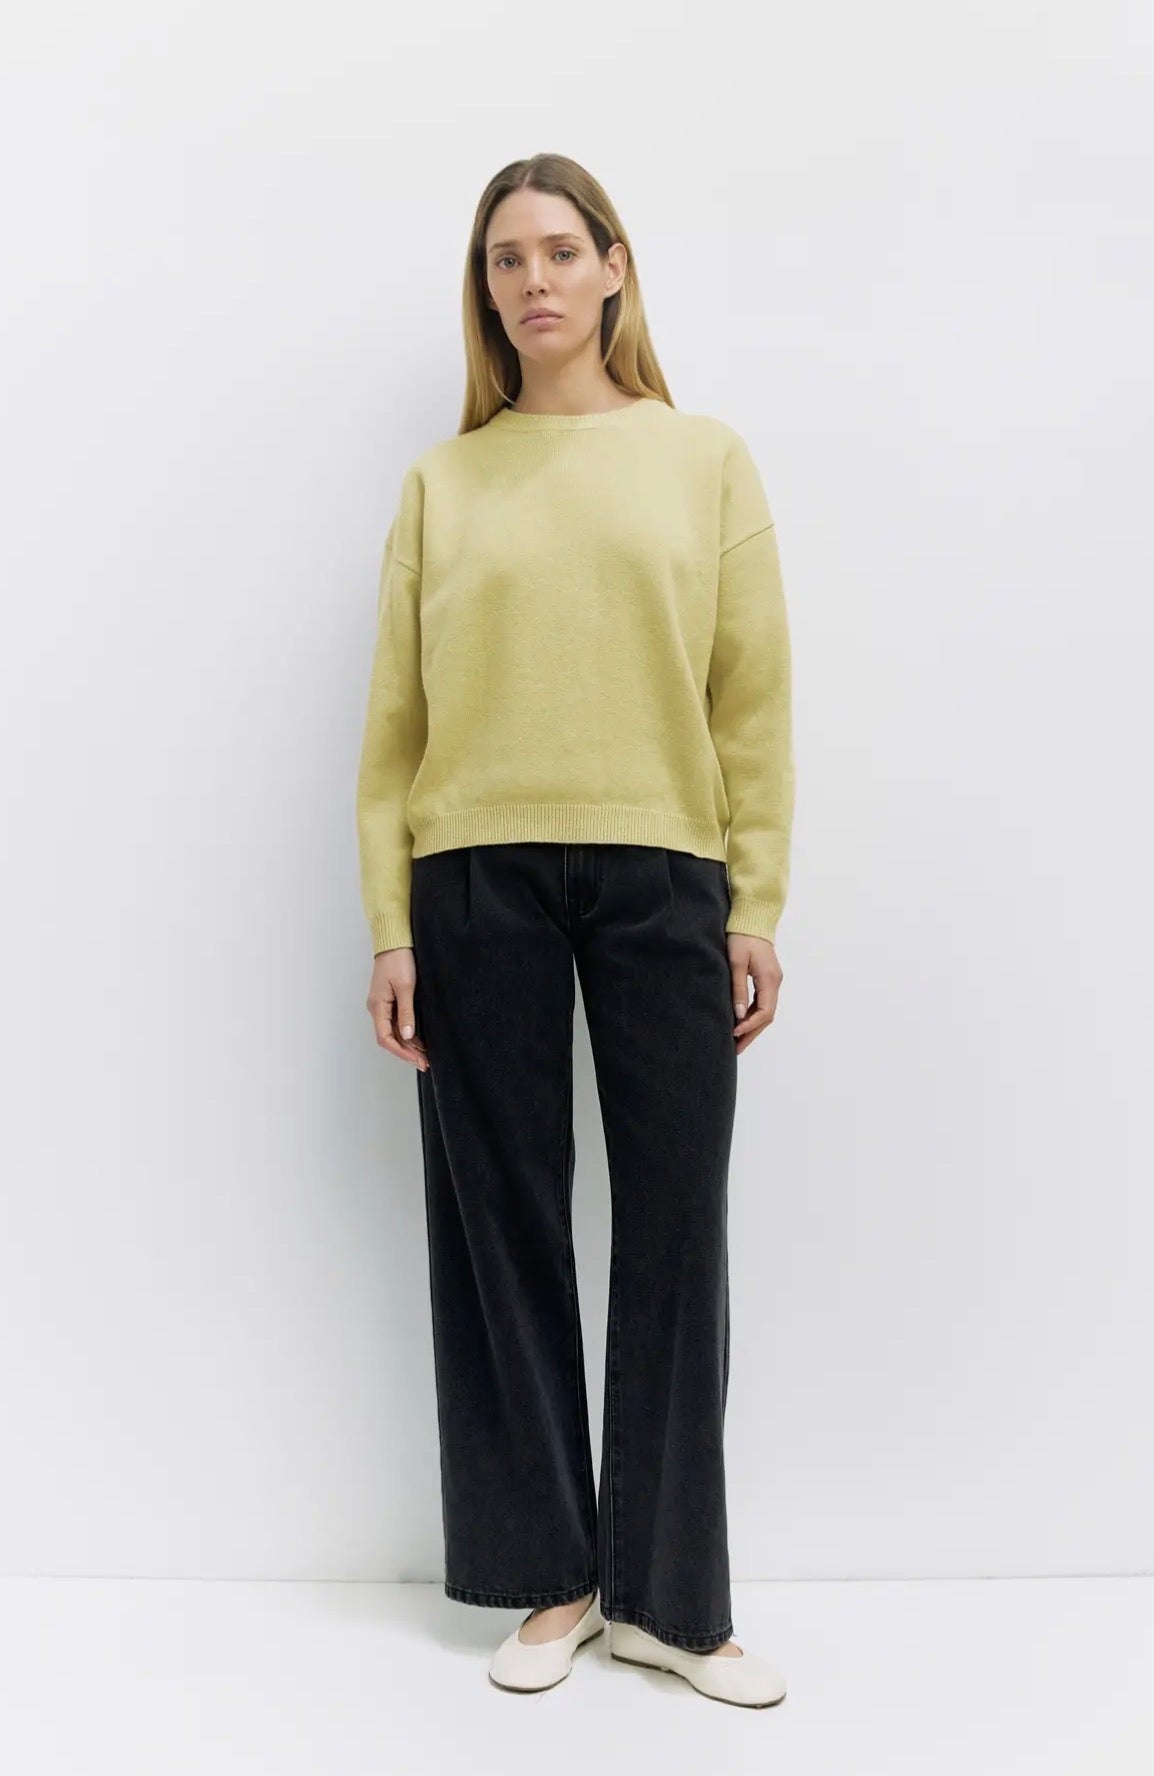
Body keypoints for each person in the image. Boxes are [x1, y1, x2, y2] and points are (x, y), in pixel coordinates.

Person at [355, 153, 794, 1709]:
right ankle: (554, 1575)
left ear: (613, 267)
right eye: (504, 260)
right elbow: (393, 730)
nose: (531, 281)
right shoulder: (445, 482)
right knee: (504, 1227)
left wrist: (753, 900)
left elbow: (750, 701)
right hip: (474, 875)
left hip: (662, 872)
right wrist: (391, 924)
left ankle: (670, 1600)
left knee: (675, 1225)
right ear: (484, 292)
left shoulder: (702, 459)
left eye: (557, 251)